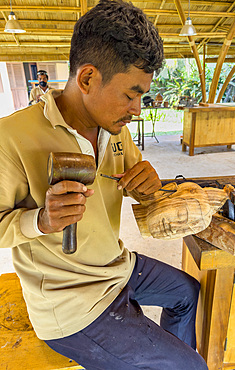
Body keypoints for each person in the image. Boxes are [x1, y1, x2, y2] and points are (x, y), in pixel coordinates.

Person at [0, 1, 208, 369]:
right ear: (87, 79)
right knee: (192, 366)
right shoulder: (11, 137)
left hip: (116, 267)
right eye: (130, 94)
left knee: (187, 293)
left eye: (141, 95)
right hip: (70, 303)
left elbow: (135, 184)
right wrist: (42, 222)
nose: (138, 110)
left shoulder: (114, 129)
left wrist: (145, 184)